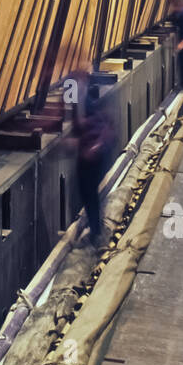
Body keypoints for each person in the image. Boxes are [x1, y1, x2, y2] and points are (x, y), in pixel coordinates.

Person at [72, 75, 117, 247]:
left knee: (89, 192)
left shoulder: (92, 101)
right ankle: (96, 230)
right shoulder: (80, 96)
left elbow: (105, 128)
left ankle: (97, 234)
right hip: (89, 151)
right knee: (88, 192)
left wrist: (94, 147)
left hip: (95, 152)